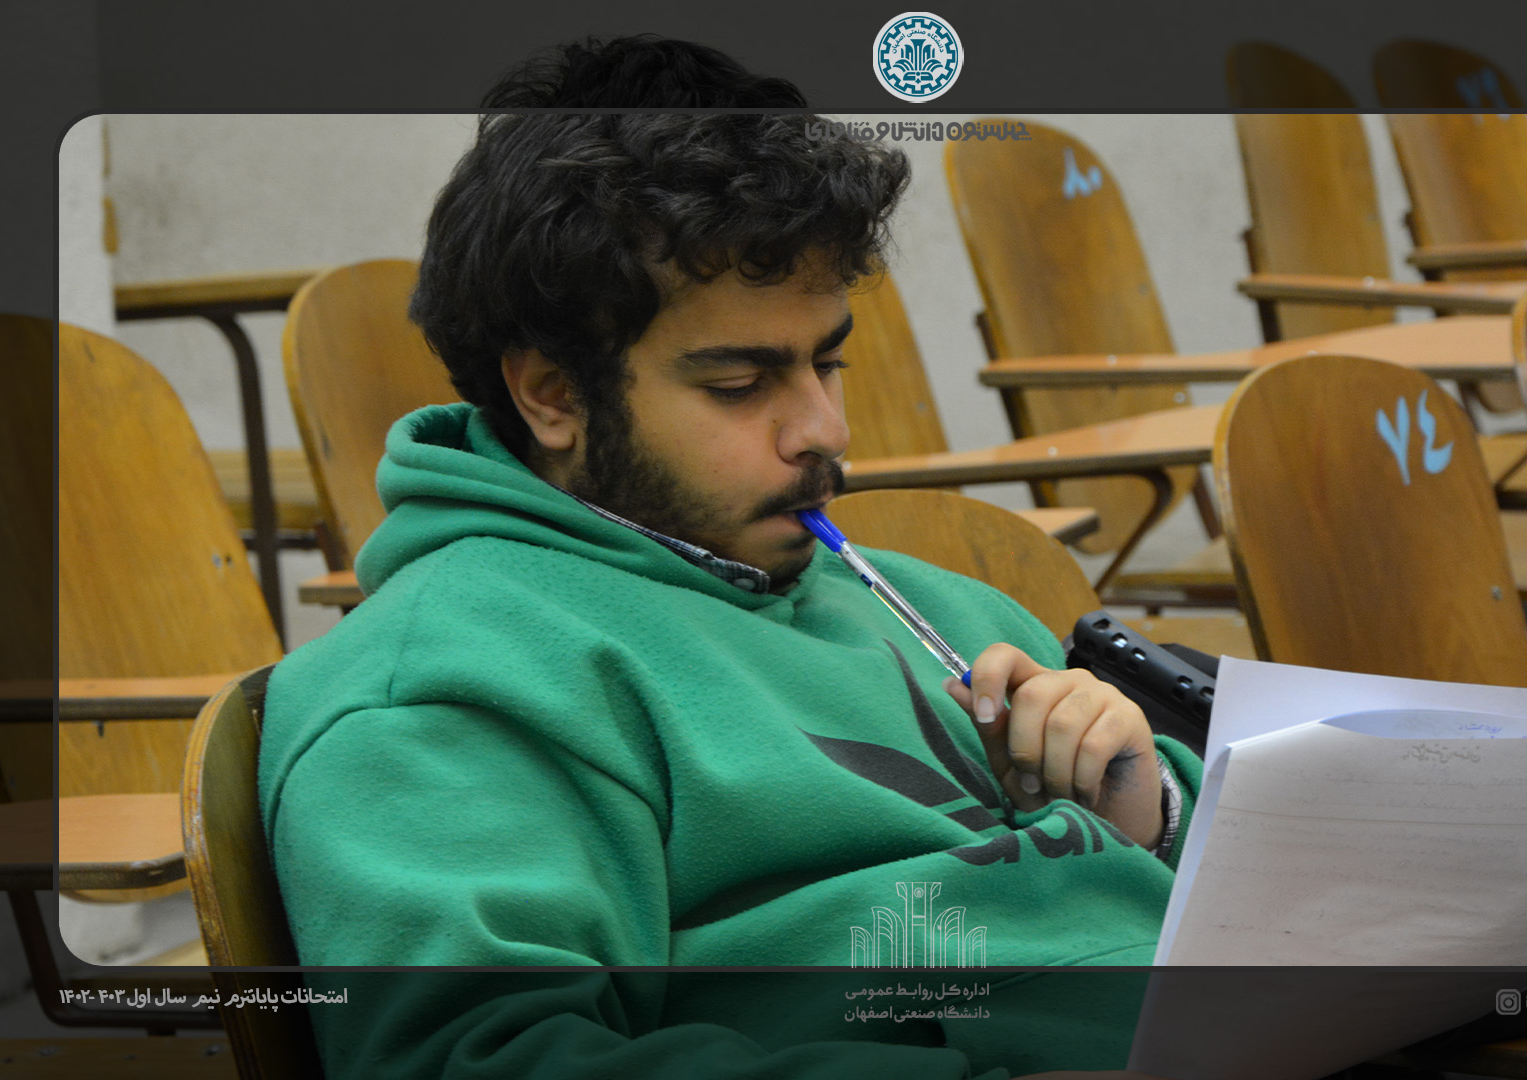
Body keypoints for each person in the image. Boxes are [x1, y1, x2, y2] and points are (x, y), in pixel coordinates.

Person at [260, 36, 1198, 1079]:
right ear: (553, 394)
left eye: (827, 361)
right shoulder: (444, 691)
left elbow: (1246, 883)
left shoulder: (933, 605)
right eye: (739, 384)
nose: (825, 430)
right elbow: (481, 1056)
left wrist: (1148, 814)